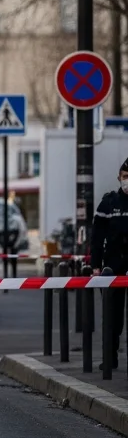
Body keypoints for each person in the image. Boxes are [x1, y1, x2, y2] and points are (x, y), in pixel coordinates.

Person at [91, 157, 128, 368]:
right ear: (119, 178)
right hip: (112, 265)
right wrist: (96, 266)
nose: (127, 181)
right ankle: (109, 358)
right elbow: (96, 238)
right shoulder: (108, 203)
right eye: (125, 177)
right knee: (112, 316)